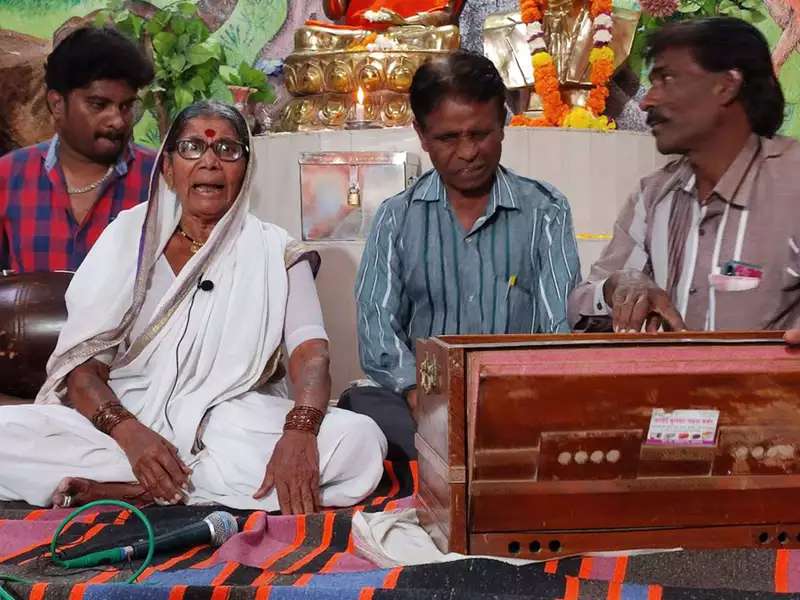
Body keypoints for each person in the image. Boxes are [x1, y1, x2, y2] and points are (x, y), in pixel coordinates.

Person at [0, 101, 387, 514]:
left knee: (359, 443)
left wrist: (301, 432)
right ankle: (164, 479)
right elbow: (82, 371)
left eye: (227, 150)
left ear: (246, 169)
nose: (209, 162)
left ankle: (137, 490)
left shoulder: (274, 250)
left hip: (228, 420)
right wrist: (131, 436)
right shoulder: (128, 238)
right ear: (167, 168)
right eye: (191, 148)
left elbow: (311, 353)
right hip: (126, 418)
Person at [340, 51, 581, 460]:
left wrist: (517, 398)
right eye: (448, 138)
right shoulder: (397, 217)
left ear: (502, 124)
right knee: (361, 413)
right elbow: (377, 328)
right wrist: (419, 395)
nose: (468, 152)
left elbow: (556, 327)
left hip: (515, 400)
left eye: (480, 134)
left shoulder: (545, 209)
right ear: (421, 134)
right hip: (418, 404)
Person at [568, 17, 800, 333]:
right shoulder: (653, 196)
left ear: (726, 85)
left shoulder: (792, 182)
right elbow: (580, 306)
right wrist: (617, 286)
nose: (648, 100)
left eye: (667, 79)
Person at [0, 26, 156, 273]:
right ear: (57, 104)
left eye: (126, 106)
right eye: (99, 104)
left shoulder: (160, 179)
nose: (117, 120)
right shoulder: (8, 177)